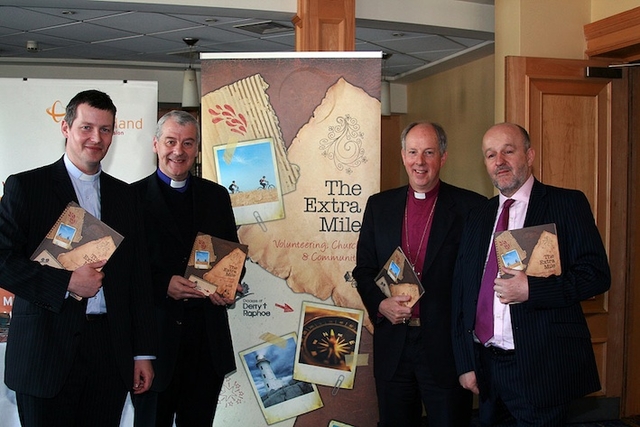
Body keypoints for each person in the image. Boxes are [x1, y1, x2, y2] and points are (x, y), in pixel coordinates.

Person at [0, 90, 156, 427]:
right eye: (86, 128)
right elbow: (3, 261)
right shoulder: (26, 187)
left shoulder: (125, 197)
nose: (95, 138)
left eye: (105, 130)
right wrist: (66, 282)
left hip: (108, 352)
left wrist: (143, 353)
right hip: (45, 349)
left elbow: (139, 281)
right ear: (66, 128)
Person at [451, 123, 611, 426]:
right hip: (487, 367)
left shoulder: (566, 204)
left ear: (530, 154)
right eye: (490, 155)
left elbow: (596, 276)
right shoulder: (479, 215)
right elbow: (462, 292)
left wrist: (532, 290)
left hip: (542, 367)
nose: (499, 161)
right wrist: (465, 363)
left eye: (508, 151)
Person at [353, 121, 486, 426]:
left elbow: (477, 279)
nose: (420, 162)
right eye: (413, 152)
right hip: (394, 345)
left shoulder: (470, 207)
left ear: (443, 157)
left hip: (445, 348)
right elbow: (364, 269)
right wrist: (380, 304)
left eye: (428, 152)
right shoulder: (379, 206)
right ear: (403, 156)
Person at [132, 110, 242, 427]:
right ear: (155, 144)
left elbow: (232, 256)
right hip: (154, 345)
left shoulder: (216, 197)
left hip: (206, 345)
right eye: (170, 141)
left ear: (196, 149)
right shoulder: (130, 198)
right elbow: (121, 273)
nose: (178, 151)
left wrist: (229, 284)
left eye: (187, 143)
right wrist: (162, 284)